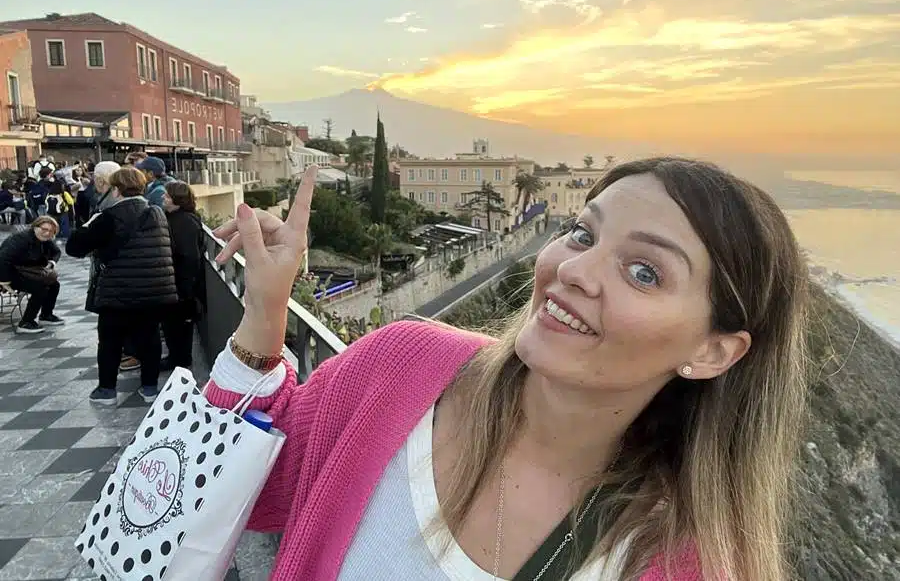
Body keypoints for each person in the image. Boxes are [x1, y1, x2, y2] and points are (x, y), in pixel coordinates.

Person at [199, 159, 812, 581]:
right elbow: (246, 493)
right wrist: (263, 312)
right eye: (581, 233)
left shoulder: (682, 562)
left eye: (644, 271)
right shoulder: (402, 368)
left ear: (711, 352)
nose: (574, 269)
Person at [66, 167, 178, 405]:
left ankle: (106, 390)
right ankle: (149, 389)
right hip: (155, 290)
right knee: (149, 339)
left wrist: (89, 225)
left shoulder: (109, 217)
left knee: (110, 340)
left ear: (116, 190)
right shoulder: (157, 212)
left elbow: (74, 248)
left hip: (119, 291)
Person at [160, 181, 205, 370]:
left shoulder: (183, 222)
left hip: (181, 285)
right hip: (178, 284)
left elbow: (189, 256)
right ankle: (176, 358)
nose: (163, 198)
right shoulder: (180, 218)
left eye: (167, 195)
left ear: (176, 200)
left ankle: (180, 360)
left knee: (179, 325)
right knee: (174, 325)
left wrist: (186, 290)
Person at [0, 216, 64, 334]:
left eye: (51, 231)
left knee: (54, 285)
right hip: (10, 273)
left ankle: (46, 315)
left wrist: (51, 263)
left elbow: (56, 252)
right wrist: (5, 282)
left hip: (28, 271)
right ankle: (26, 322)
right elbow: (3, 259)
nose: (47, 233)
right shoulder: (20, 239)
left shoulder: (45, 239)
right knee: (40, 288)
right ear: (35, 227)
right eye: (44, 229)